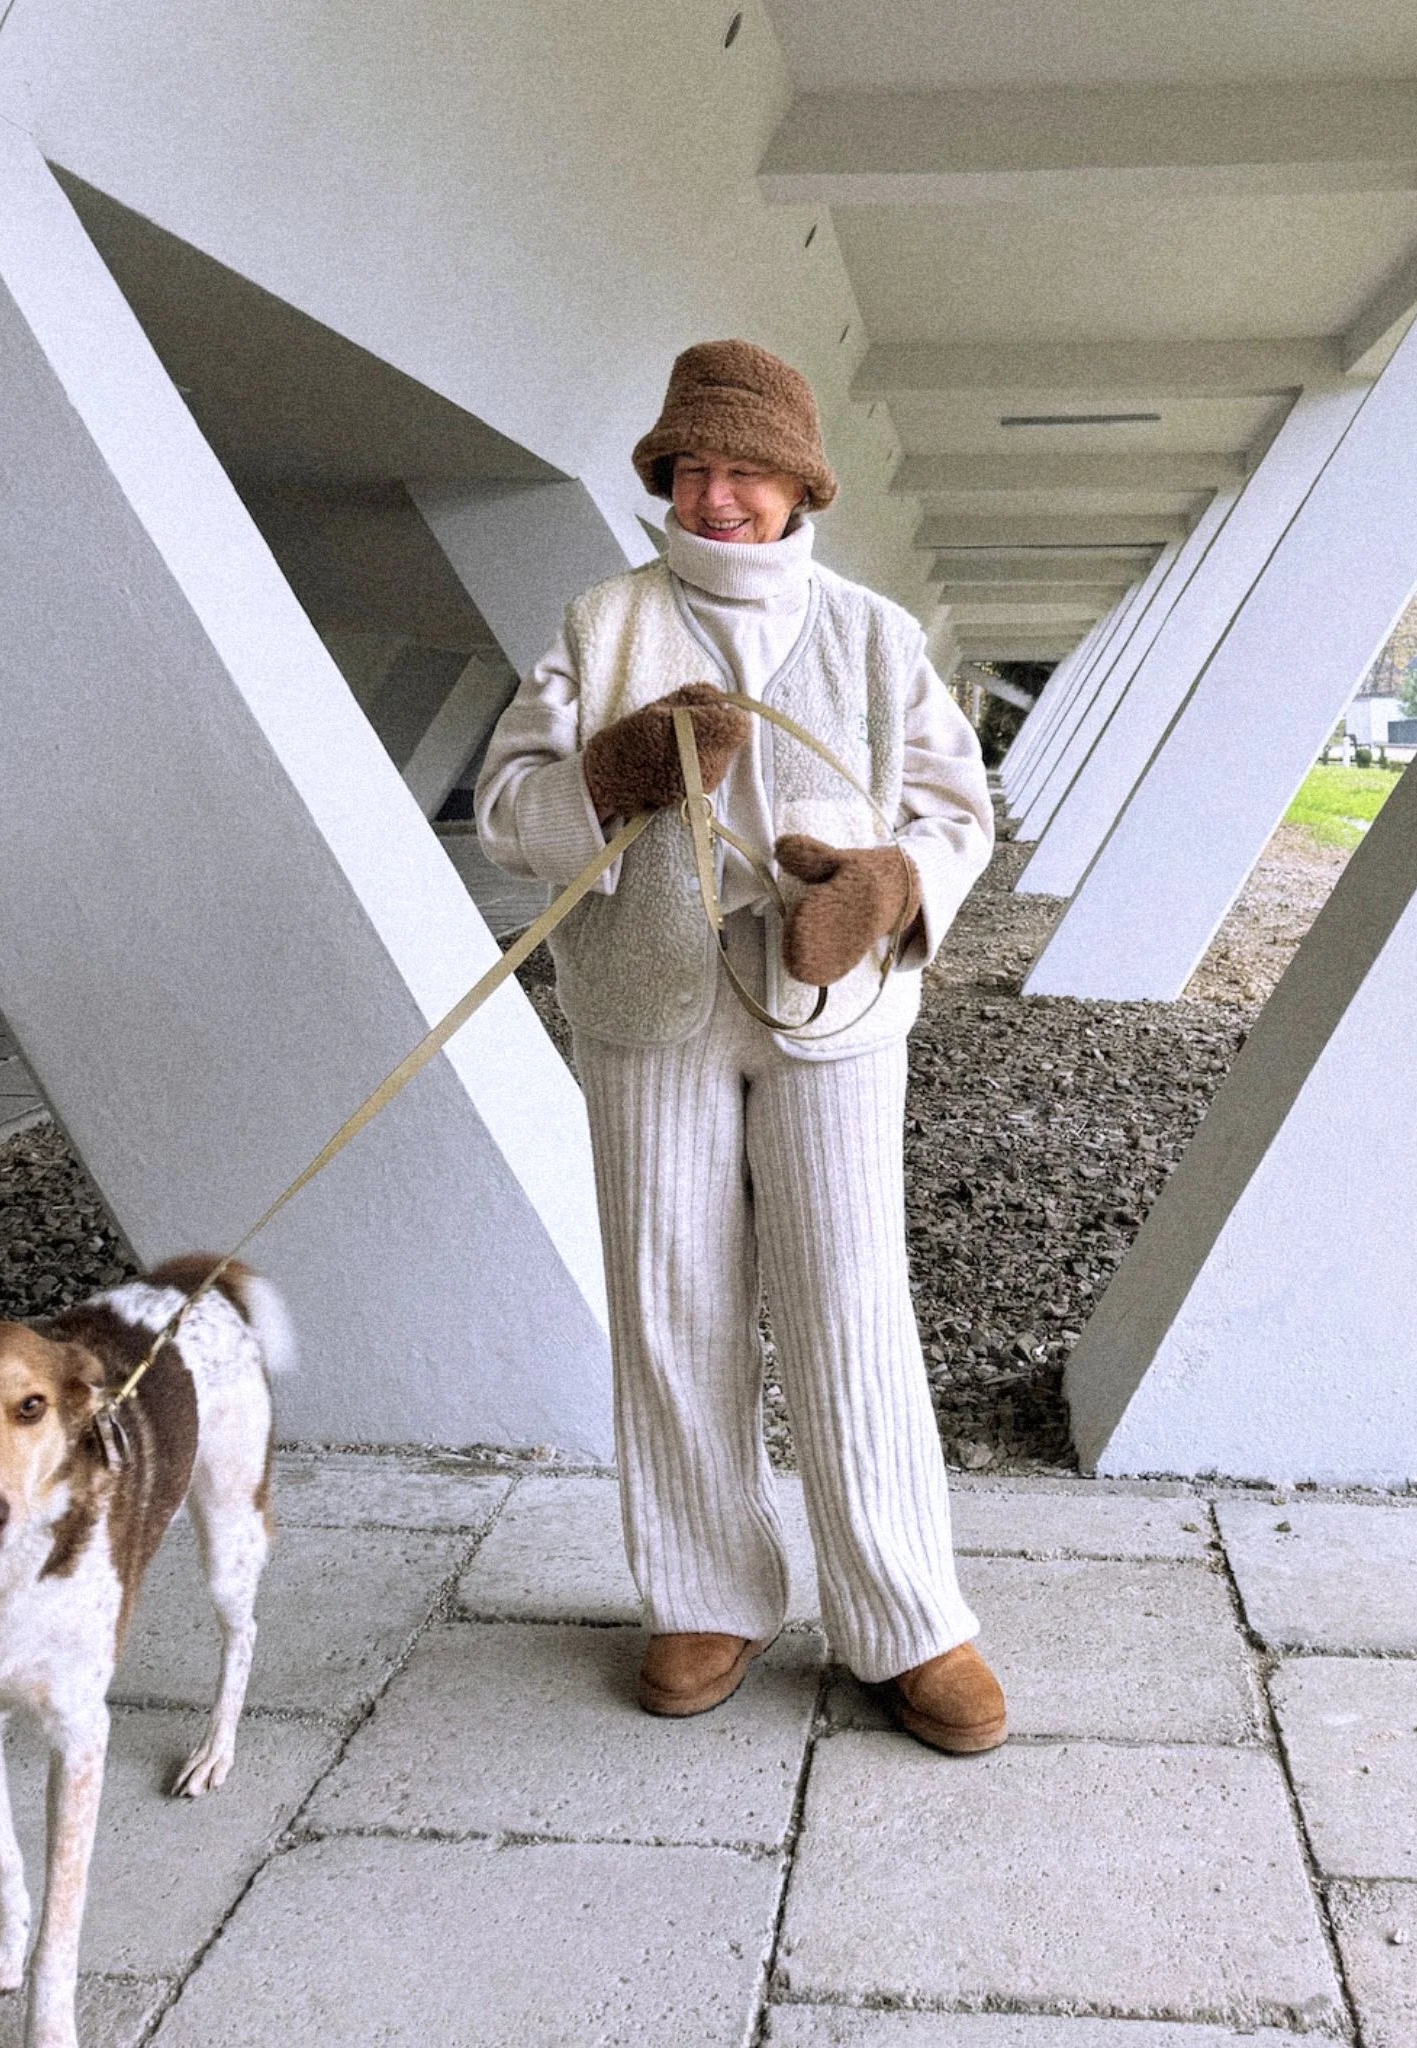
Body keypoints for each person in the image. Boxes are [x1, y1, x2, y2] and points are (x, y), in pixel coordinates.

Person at [475, 340, 1005, 1752]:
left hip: (834, 1010)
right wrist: (614, 774)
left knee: (847, 1298)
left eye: (747, 471)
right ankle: (703, 1592)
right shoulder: (601, 626)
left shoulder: (879, 636)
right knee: (670, 1296)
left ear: (798, 484)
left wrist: (895, 888)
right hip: (647, 1008)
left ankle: (905, 1616)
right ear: (666, 477)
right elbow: (506, 808)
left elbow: (960, 813)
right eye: (694, 470)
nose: (719, 497)